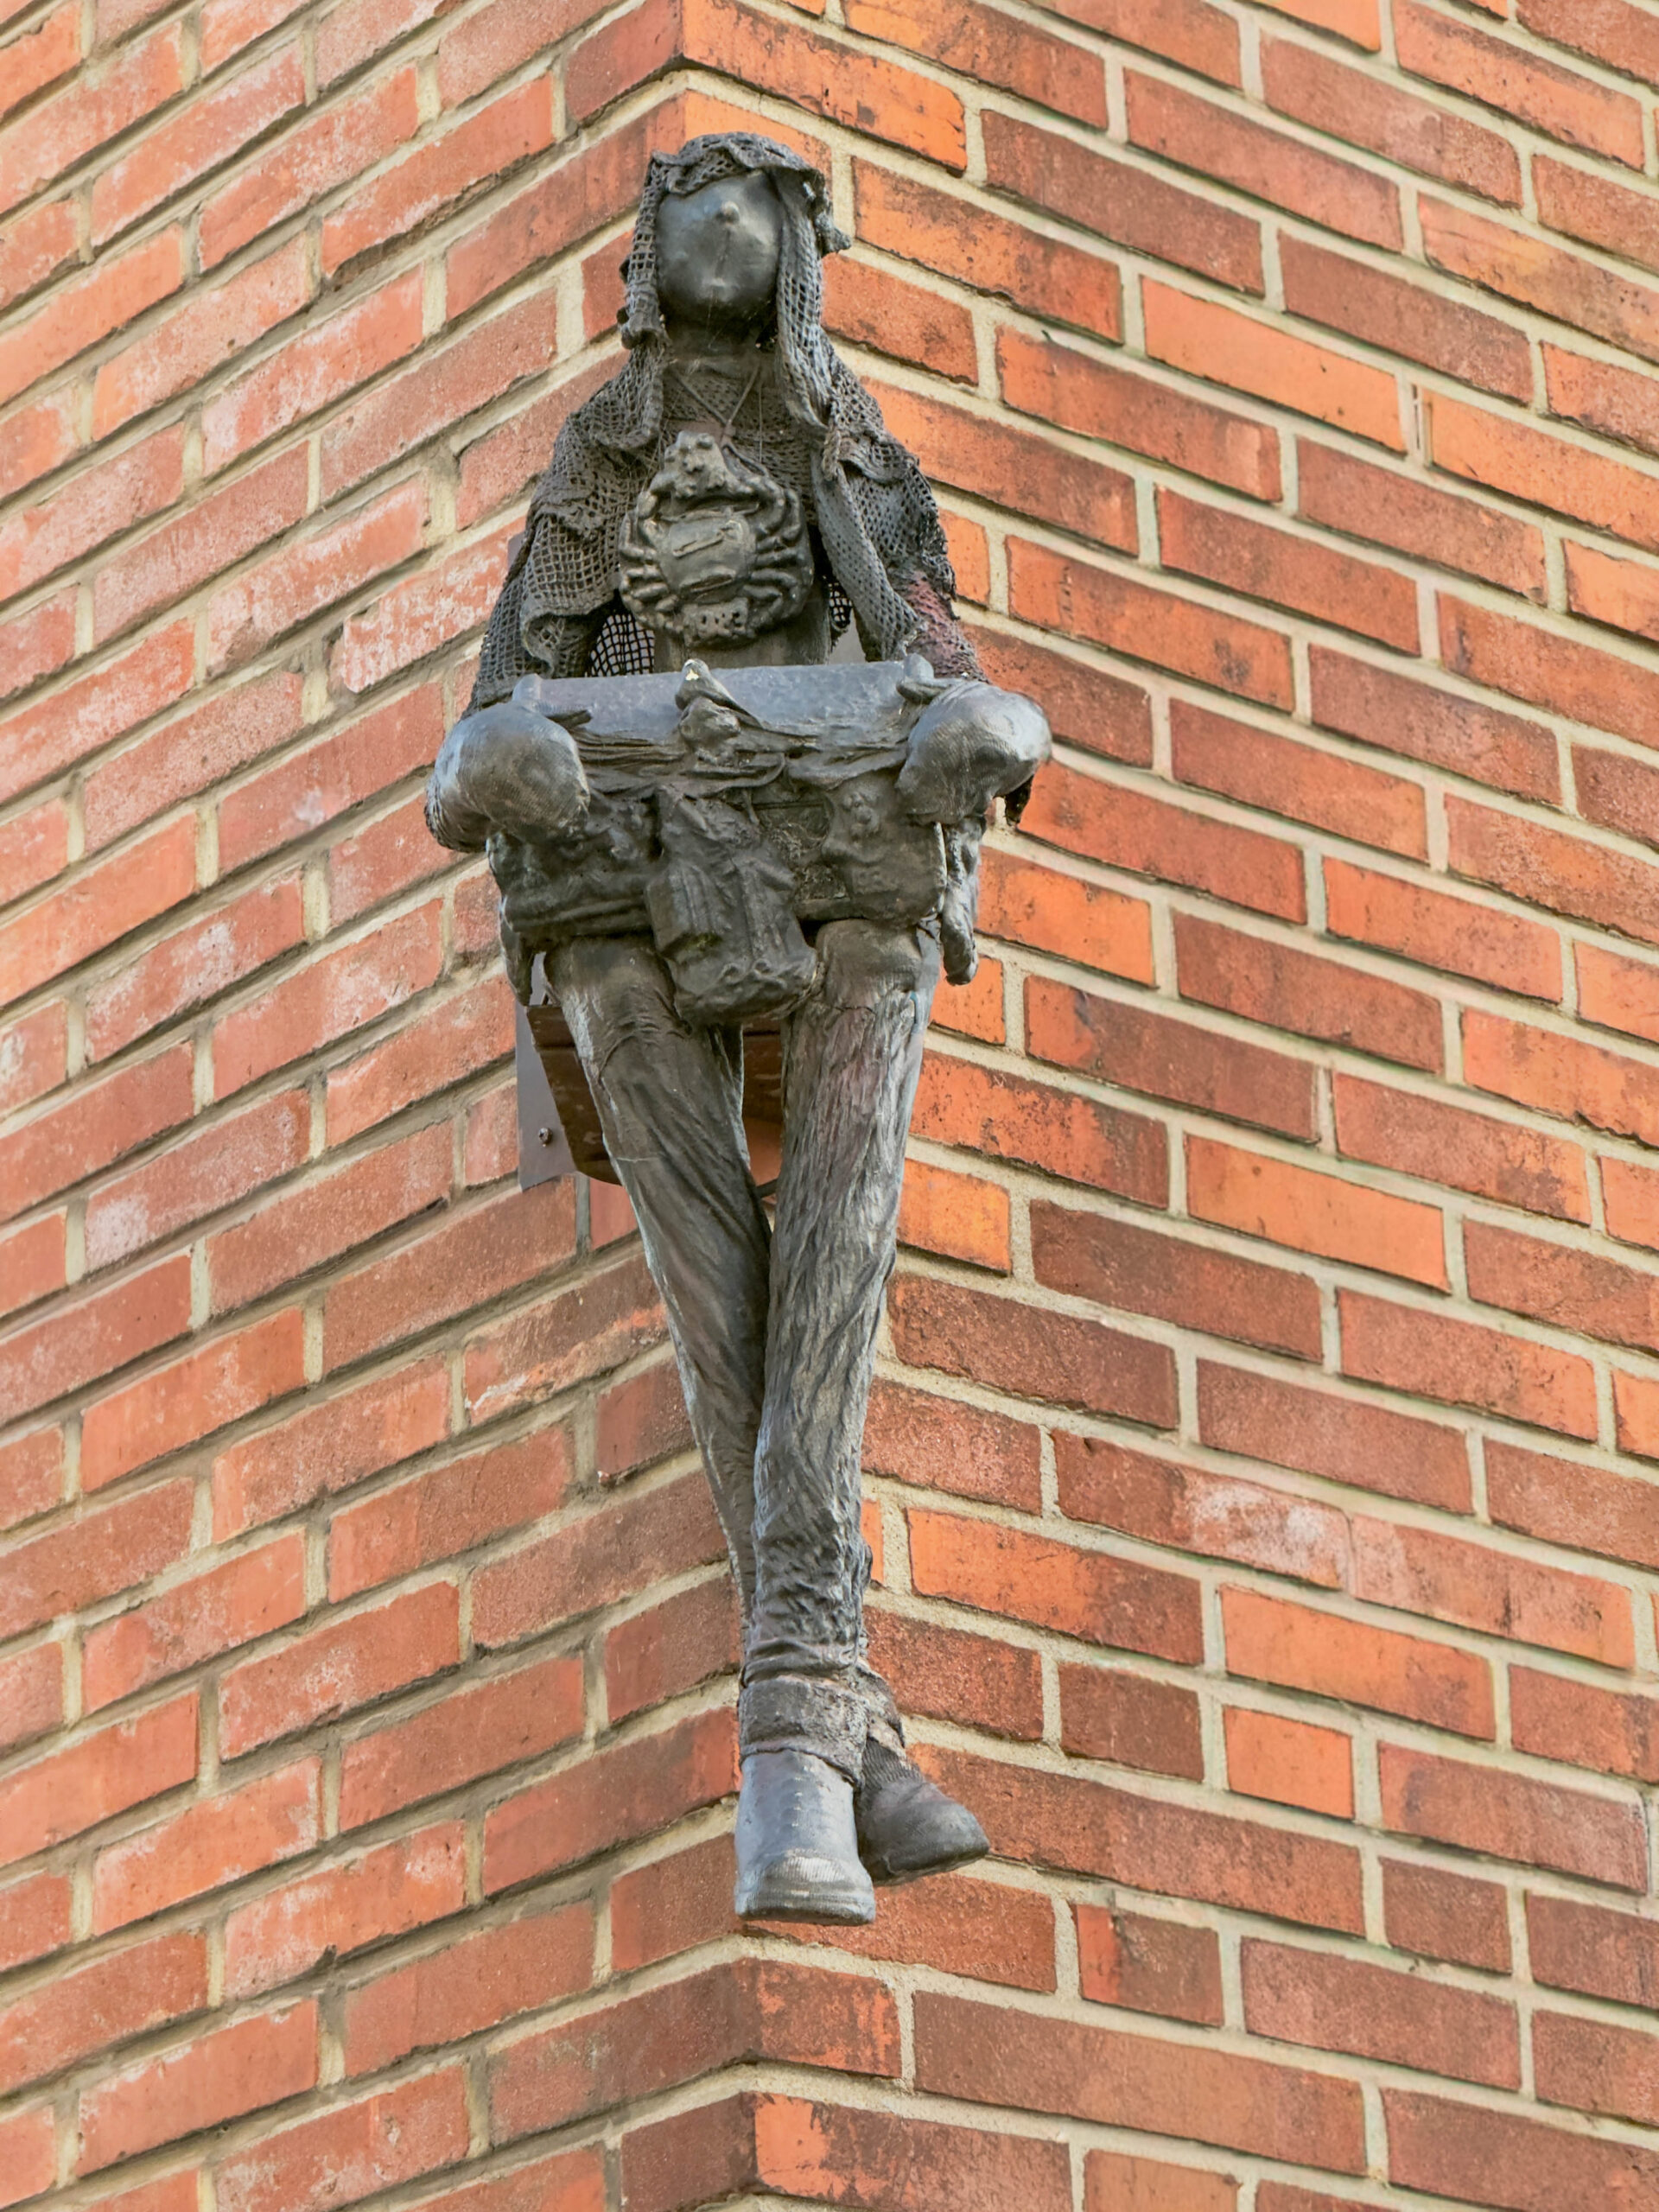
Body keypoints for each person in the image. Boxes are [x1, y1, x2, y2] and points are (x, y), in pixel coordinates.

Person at [429, 133, 1046, 1923]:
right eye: (689, 200)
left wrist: (979, 728)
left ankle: (795, 1728)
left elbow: (936, 644)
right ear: (645, 249)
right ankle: (825, 1713)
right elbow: (485, 719)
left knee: (866, 1029)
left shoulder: (844, 441)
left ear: (791, 248)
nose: (718, 224)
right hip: (623, 853)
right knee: (618, 997)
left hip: (837, 835)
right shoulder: (595, 458)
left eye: (752, 202)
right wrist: (501, 766)